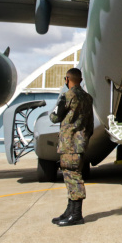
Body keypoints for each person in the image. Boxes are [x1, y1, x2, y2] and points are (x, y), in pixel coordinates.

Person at [49, 68, 94, 227]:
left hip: (69, 144)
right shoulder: (88, 98)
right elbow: (90, 126)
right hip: (79, 143)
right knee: (71, 176)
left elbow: (54, 117)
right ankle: (69, 211)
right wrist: (83, 139)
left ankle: (76, 215)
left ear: (67, 79)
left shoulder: (68, 96)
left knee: (72, 177)